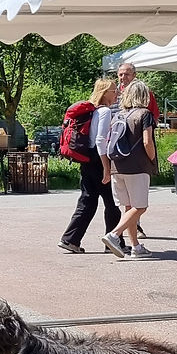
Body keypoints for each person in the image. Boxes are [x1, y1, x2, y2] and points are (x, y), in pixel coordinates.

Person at [59, 76, 120, 254]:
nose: (116, 94)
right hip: (99, 159)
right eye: (113, 90)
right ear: (105, 92)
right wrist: (106, 168)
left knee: (87, 200)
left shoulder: (92, 111)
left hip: (87, 159)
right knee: (112, 202)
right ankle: (113, 241)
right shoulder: (105, 112)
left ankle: (70, 239)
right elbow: (101, 141)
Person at [101, 80, 158, 259]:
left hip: (117, 165)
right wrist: (153, 159)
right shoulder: (145, 114)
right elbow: (147, 141)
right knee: (140, 206)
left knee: (128, 207)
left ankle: (135, 247)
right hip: (137, 167)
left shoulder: (117, 114)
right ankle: (114, 234)